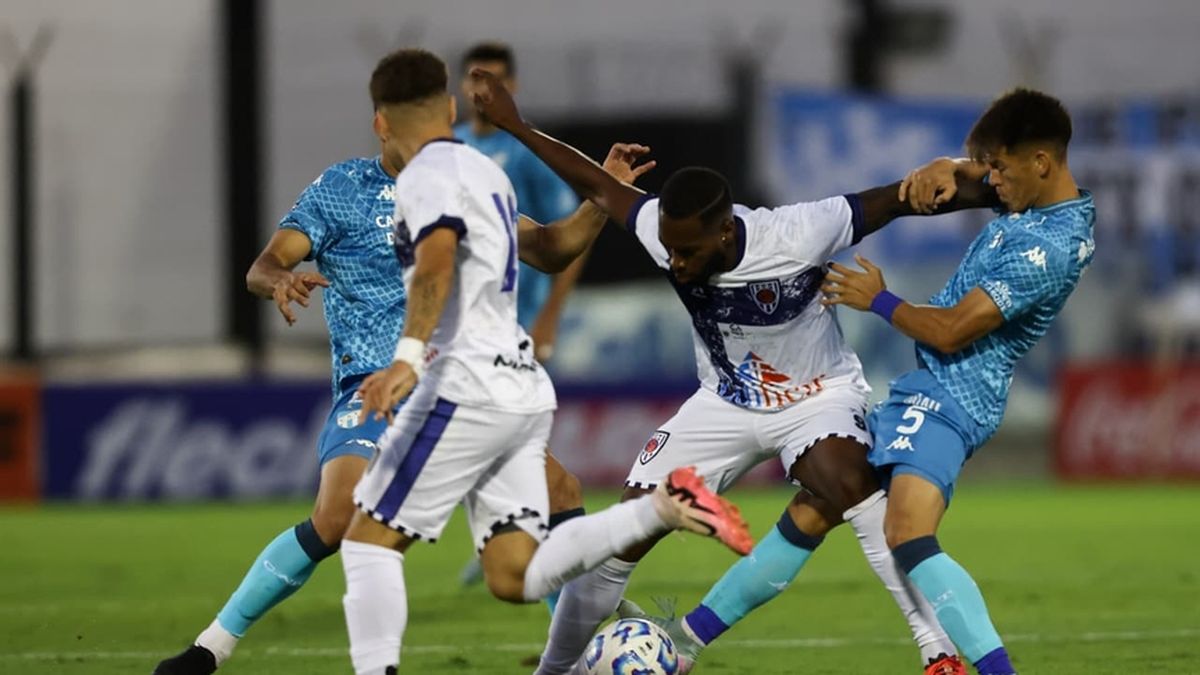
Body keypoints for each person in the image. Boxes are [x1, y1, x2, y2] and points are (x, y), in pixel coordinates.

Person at [467, 69, 1002, 675]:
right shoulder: (661, 232)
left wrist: (993, 189)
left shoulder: (800, 233)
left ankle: (937, 652)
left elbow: (905, 197)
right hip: (723, 402)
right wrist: (514, 123)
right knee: (623, 532)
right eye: (669, 248)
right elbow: (592, 181)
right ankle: (555, 671)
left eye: (689, 251)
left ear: (726, 231)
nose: (676, 261)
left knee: (850, 485)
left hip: (816, 397)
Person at [151, 59, 654, 675]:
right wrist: (278, 279)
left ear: (385, 119)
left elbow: (545, 247)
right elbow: (265, 263)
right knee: (342, 520)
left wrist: (600, 198)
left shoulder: (457, 179)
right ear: (425, 118)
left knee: (536, 504)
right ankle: (210, 649)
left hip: (439, 383)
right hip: (379, 387)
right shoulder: (347, 188)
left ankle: (583, 635)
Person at [338, 47, 752, 675]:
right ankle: (661, 507)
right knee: (515, 573)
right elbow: (554, 248)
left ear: (381, 123)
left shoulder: (423, 178)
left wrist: (407, 358)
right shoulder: (486, 175)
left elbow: (437, 261)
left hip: (464, 384)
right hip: (520, 390)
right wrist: (602, 199)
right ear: (450, 109)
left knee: (368, 541)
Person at [818, 89, 1094, 675]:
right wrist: (955, 165)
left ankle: (985, 666)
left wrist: (880, 300)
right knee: (819, 504)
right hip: (932, 387)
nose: (991, 181)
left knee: (907, 532)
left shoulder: (1047, 246)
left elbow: (950, 332)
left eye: (1000, 168)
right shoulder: (1034, 203)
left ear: (1040, 163)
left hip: (956, 393)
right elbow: (987, 179)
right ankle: (690, 640)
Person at [453, 41, 591, 598]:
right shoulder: (447, 149)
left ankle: (522, 545)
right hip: (466, 336)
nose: (483, 91)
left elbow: (562, 240)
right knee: (536, 466)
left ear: (512, 87)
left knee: (539, 464)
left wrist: (551, 317)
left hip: (520, 321)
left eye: (495, 81)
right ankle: (516, 545)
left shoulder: (524, 155)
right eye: (475, 80)